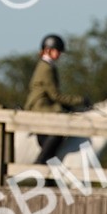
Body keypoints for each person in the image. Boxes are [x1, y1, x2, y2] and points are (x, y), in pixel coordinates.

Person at [24, 34, 87, 165]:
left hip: (45, 103)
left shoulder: (46, 65)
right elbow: (55, 96)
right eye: (57, 51)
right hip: (41, 106)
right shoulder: (47, 68)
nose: (59, 54)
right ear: (48, 50)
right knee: (61, 128)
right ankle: (41, 161)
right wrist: (79, 100)